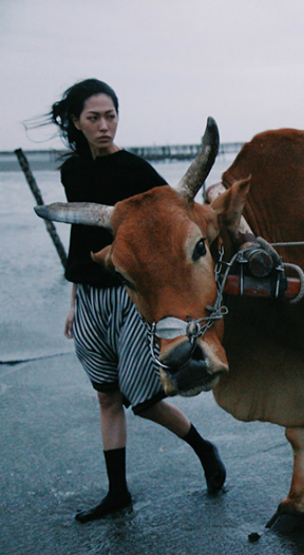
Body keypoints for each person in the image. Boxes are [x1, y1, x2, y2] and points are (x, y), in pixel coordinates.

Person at [45, 79, 226, 522]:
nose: (105, 126)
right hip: (90, 297)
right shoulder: (72, 172)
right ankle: (118, 493)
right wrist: (74, 300)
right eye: (94, 118)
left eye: (111, 116)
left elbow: (173, 222)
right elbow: (82, 240)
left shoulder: (136, 169)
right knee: (107, 396)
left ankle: (204, 449)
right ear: (76, 122)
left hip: (130, 297)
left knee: (142, 397)